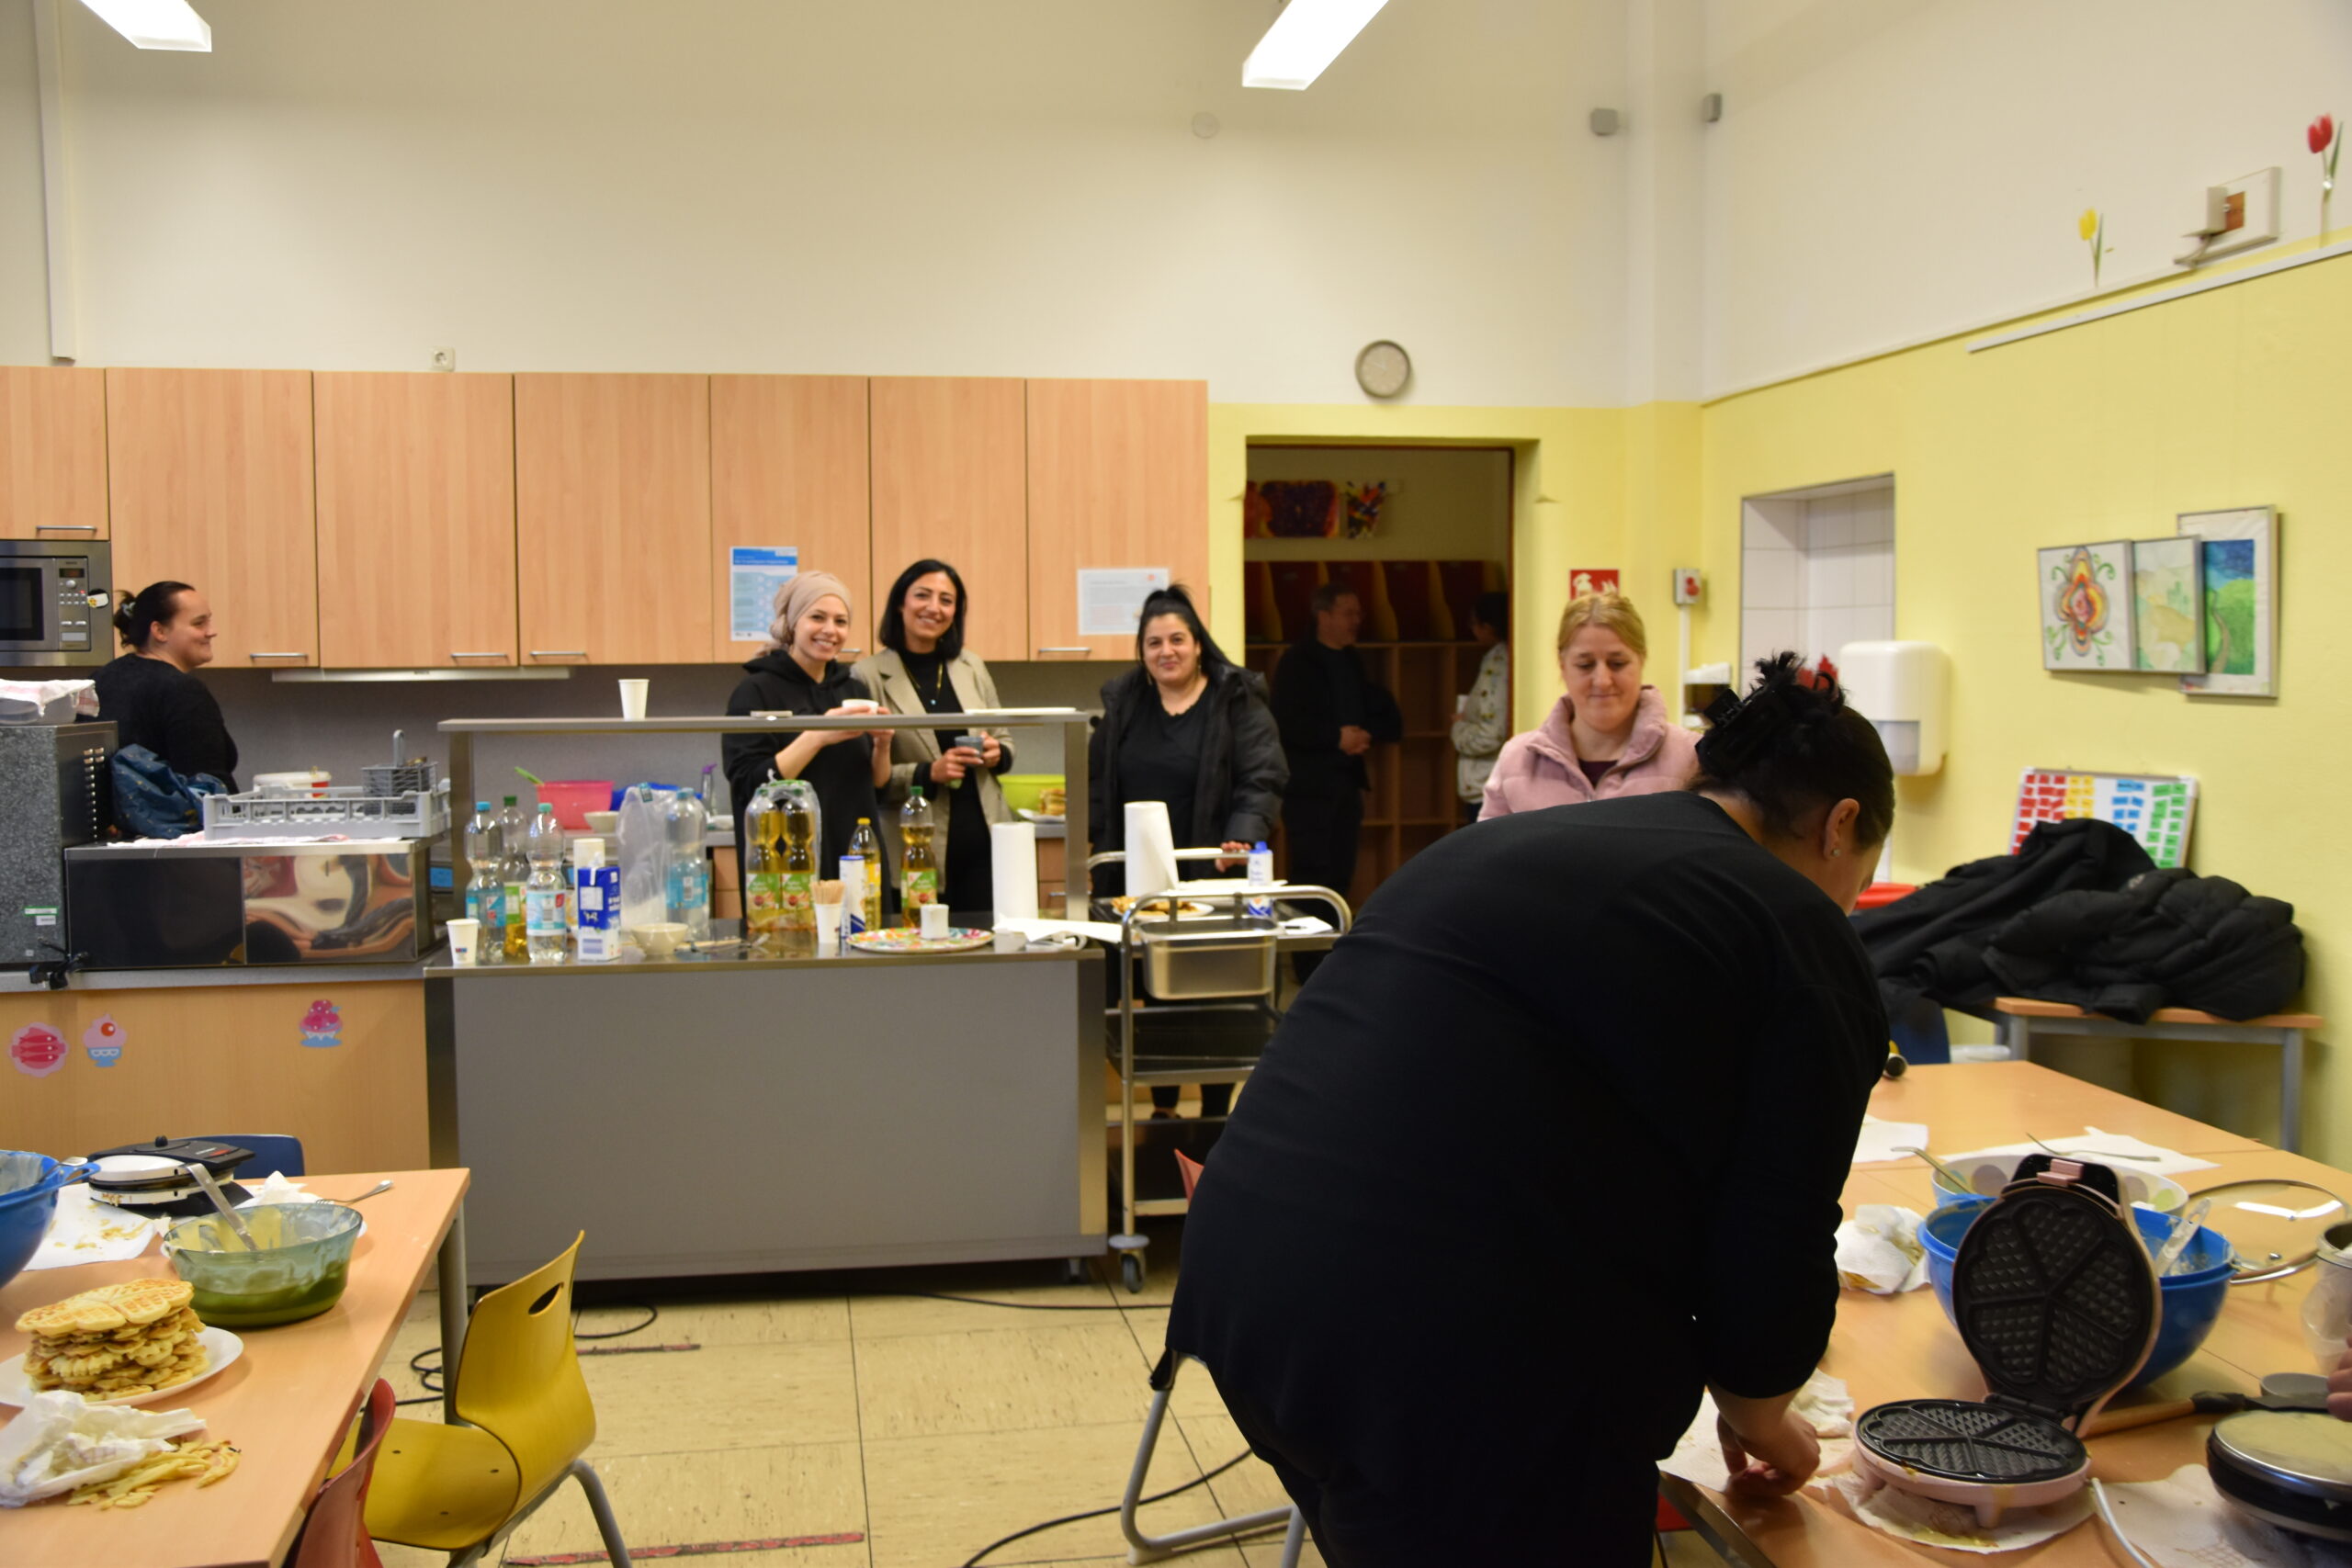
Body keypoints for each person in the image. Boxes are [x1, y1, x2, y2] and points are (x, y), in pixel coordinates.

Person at [1165, 653, 1895, 1566]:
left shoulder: (1529, 845)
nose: (1848, 901)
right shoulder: (1797, 927)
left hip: (1247, 1287)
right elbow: (1778, 1230)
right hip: (1433, 1356)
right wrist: (1762, 1411)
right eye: (1861, 874)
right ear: (1840, 825)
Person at [1089, 585, 1287, 1118]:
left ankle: (1217, 1115)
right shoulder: (1126, 702)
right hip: (1139, 883)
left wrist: (1243, 832)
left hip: (1212, 873)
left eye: (1177, 639)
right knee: (1156, 996)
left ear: (1198, 644)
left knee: (1216, 995)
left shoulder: (1235, 698)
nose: (1166, 651)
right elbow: (1099, 782)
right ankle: (1164, 1111)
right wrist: (1095, 846)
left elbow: (1263, 774)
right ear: (1142, 650)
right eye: (1154, 642)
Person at [721, 571, 896, 905]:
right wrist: (816, 736)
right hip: (788, 862)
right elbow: (749, 785)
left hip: (855, 857)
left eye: (841, 621)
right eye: (817, 617)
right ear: (791, 623)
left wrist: (883, 745)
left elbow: (877, 788)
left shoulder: (853, 688)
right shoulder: (755, 691)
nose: (830, 630)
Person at [854, 560, 1015, 918]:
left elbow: (1004, 736)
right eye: (922, 595)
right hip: (914, 846)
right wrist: (929, 773)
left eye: (946, 600)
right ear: (901, 603)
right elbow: (865, 776)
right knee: (918, 945)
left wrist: (997, 752)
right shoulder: (867, 675)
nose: (934, 608)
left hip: (985, 844)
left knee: (987, 945)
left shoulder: (971, 666)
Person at [1481, 589, 1698, 818]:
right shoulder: (1516, 760)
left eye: (1617, 663)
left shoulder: (1690, 758)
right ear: (1563, 666)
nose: (1602, 681)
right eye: (1585, 665)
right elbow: (1488, 840)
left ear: (1641, 660)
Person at [1270, 582, 1400, 910]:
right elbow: (1287, 722)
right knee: (1311, 874)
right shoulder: (1297, 661)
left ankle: (1334, 939)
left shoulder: (1351, 659)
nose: (1357, 621)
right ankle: (1308, 943)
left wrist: (1366, 734)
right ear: (1323, 616)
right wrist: (1335, 738)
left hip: (1346, 782)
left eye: (1359, 613)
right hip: (1309, 788)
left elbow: (1369, 706)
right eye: (1348, 613)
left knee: (1342, 873)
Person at [95, 581, 239, 791]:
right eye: (199, 623)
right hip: (172, 813)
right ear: (159, 631)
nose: (212, 632)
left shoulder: (99, 680)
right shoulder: (183, 691)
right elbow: (209, 789)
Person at [1449, 590, 1510, 824]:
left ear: (1488, 626)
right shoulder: (1498, 657)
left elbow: (1490, 734)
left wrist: (1459, 729)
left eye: (1474, 623)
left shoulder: (1499, 664)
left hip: (1488, 782)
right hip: (1489, 780)